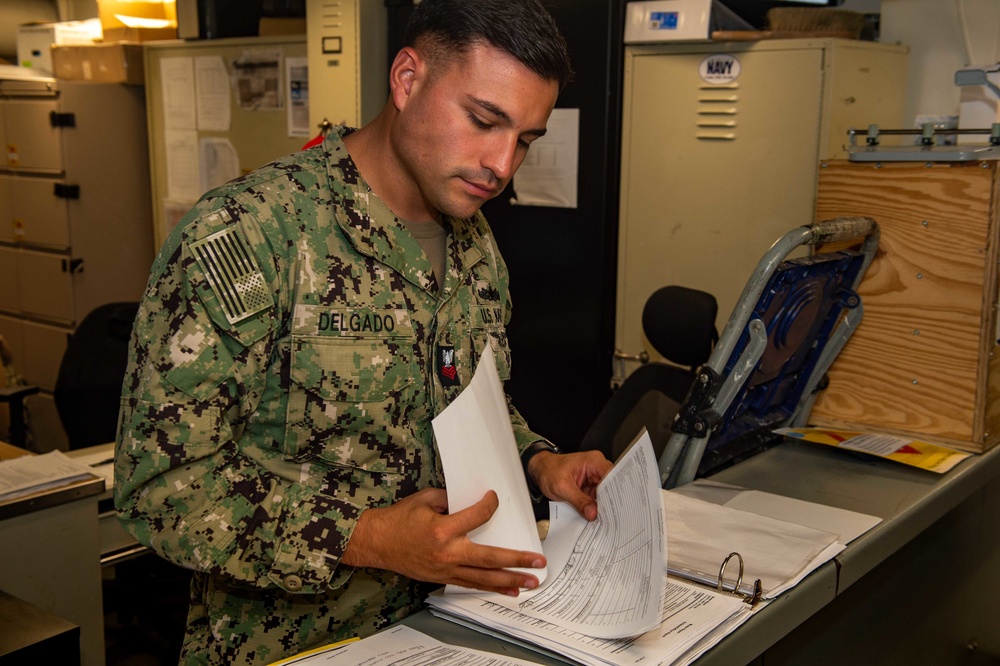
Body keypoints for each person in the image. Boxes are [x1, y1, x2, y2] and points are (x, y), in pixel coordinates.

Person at [115, 0, 613, 663]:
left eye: (524, 139)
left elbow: (461, 403)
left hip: (449, 632)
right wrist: (371, 538)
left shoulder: (474, 244)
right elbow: (159, 490)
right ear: (407, 80)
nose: (501, 164)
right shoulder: (251, 233)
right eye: (484, 120)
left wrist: (537, 461)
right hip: (292, 646)